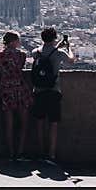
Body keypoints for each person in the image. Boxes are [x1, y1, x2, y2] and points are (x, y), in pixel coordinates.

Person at [30, 26, 75, 165]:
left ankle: (40, 152)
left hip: (38, 91)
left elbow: (44, 51)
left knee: (39, 123)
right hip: (53, 91)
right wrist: (68, 47)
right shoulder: (59, 53)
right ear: (55, 38)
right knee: (53, 124)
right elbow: (71, 60)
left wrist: (55, 46)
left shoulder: (35, 52)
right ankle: (51, 154)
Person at [0, 31, 32, 160]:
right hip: (20, 89)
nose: (19, 43)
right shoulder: (22, 55)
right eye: (17, 41)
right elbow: (20, 68)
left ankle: (10, 153)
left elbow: (0, 70)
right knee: (23, 123)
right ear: (13, 42)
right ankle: (20, 152)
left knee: (8, 124)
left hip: (5, 89)